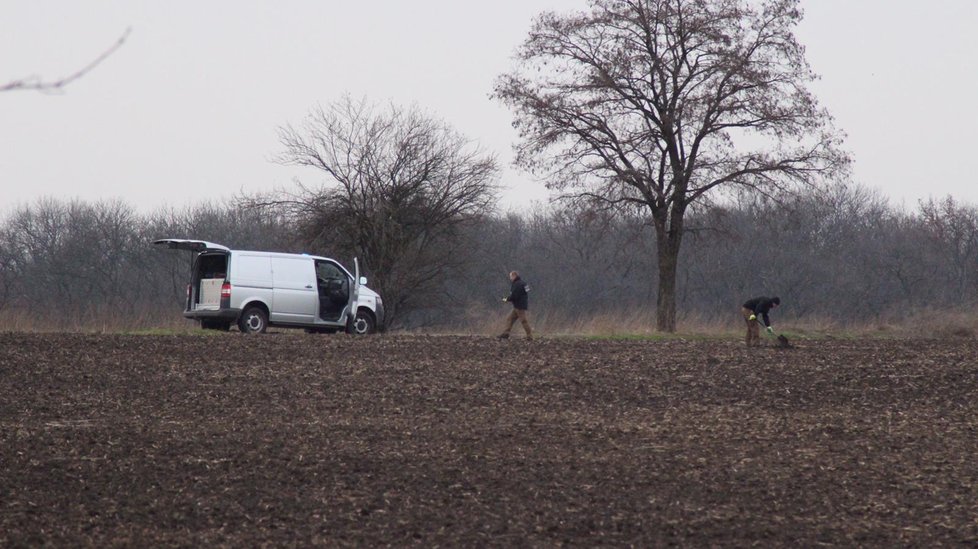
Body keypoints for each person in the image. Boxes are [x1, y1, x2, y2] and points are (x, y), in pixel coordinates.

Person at [498, 271, 533, 340]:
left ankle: (530, 336)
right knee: (510, 319)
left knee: (523, 320)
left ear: (514, 276)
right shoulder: (524, 283)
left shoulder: (516, 284)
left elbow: (514, 296)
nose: (510, 278)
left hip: (519, 306)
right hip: (520, 305)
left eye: (511, 277)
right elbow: (527, 291)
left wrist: (506, 299)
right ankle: (506, 333)